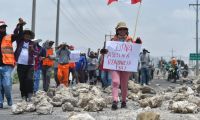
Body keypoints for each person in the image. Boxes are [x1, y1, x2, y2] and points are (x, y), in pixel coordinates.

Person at [101, 22, 142, 110]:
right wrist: (104, 51)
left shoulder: (130, 40)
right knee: (115, 82)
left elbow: (136, 49)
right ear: (117, 31)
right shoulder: (112, 41)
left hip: (126, 66)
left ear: (127, 31)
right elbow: (107, 52)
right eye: (120, 29)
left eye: (124, 29)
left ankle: (123, 101)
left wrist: (138, 42)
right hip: (114, 65)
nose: (122, 31)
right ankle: (115, 100)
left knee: (124, 84)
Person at [0, 19, 24, 108]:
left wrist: (20, 26)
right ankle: (0, 102)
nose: (3, 28)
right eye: (1, 27)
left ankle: (9, 99)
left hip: (7, 65)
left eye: (4, 27)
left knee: (6, 84)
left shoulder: (9, 37)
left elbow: (20, 36)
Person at [15, 24, 37, 101]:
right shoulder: (19, 41)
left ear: (30, 36)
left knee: (29, 79)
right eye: (25, 34)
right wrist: (19, 26)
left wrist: (32, 50)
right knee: (22, 80)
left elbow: (37, 53)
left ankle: (30, 94)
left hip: (30, 65)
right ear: (23, 35)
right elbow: (16, 32)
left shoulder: (33, 43)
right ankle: (23, 95)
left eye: (28, 34)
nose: (27, 35)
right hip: (20, 64)